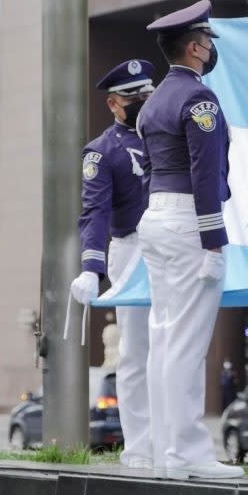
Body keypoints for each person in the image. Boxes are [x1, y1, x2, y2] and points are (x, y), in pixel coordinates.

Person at [136, 0, 244, 480]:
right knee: (186, 343)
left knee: (163, 340)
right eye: (208, 42)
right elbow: (204, 174)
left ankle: (166, 451)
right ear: (197, 47)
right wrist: (214, 243)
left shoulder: (153, 100)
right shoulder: (199, 100)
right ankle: (187, 455)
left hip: (157, 220)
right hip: (187, 224)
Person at [69, 59, 154, 468]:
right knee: (136, 352)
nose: (143, 102)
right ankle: (140, 447)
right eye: (134, 97)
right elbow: (94, 212)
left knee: (180, 347)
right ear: (113, 104)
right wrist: (91, 266)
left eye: (147, 95)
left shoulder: (169, 135)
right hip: (132, 247)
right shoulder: (101, 152)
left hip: (177, 244)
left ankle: (176, 442)